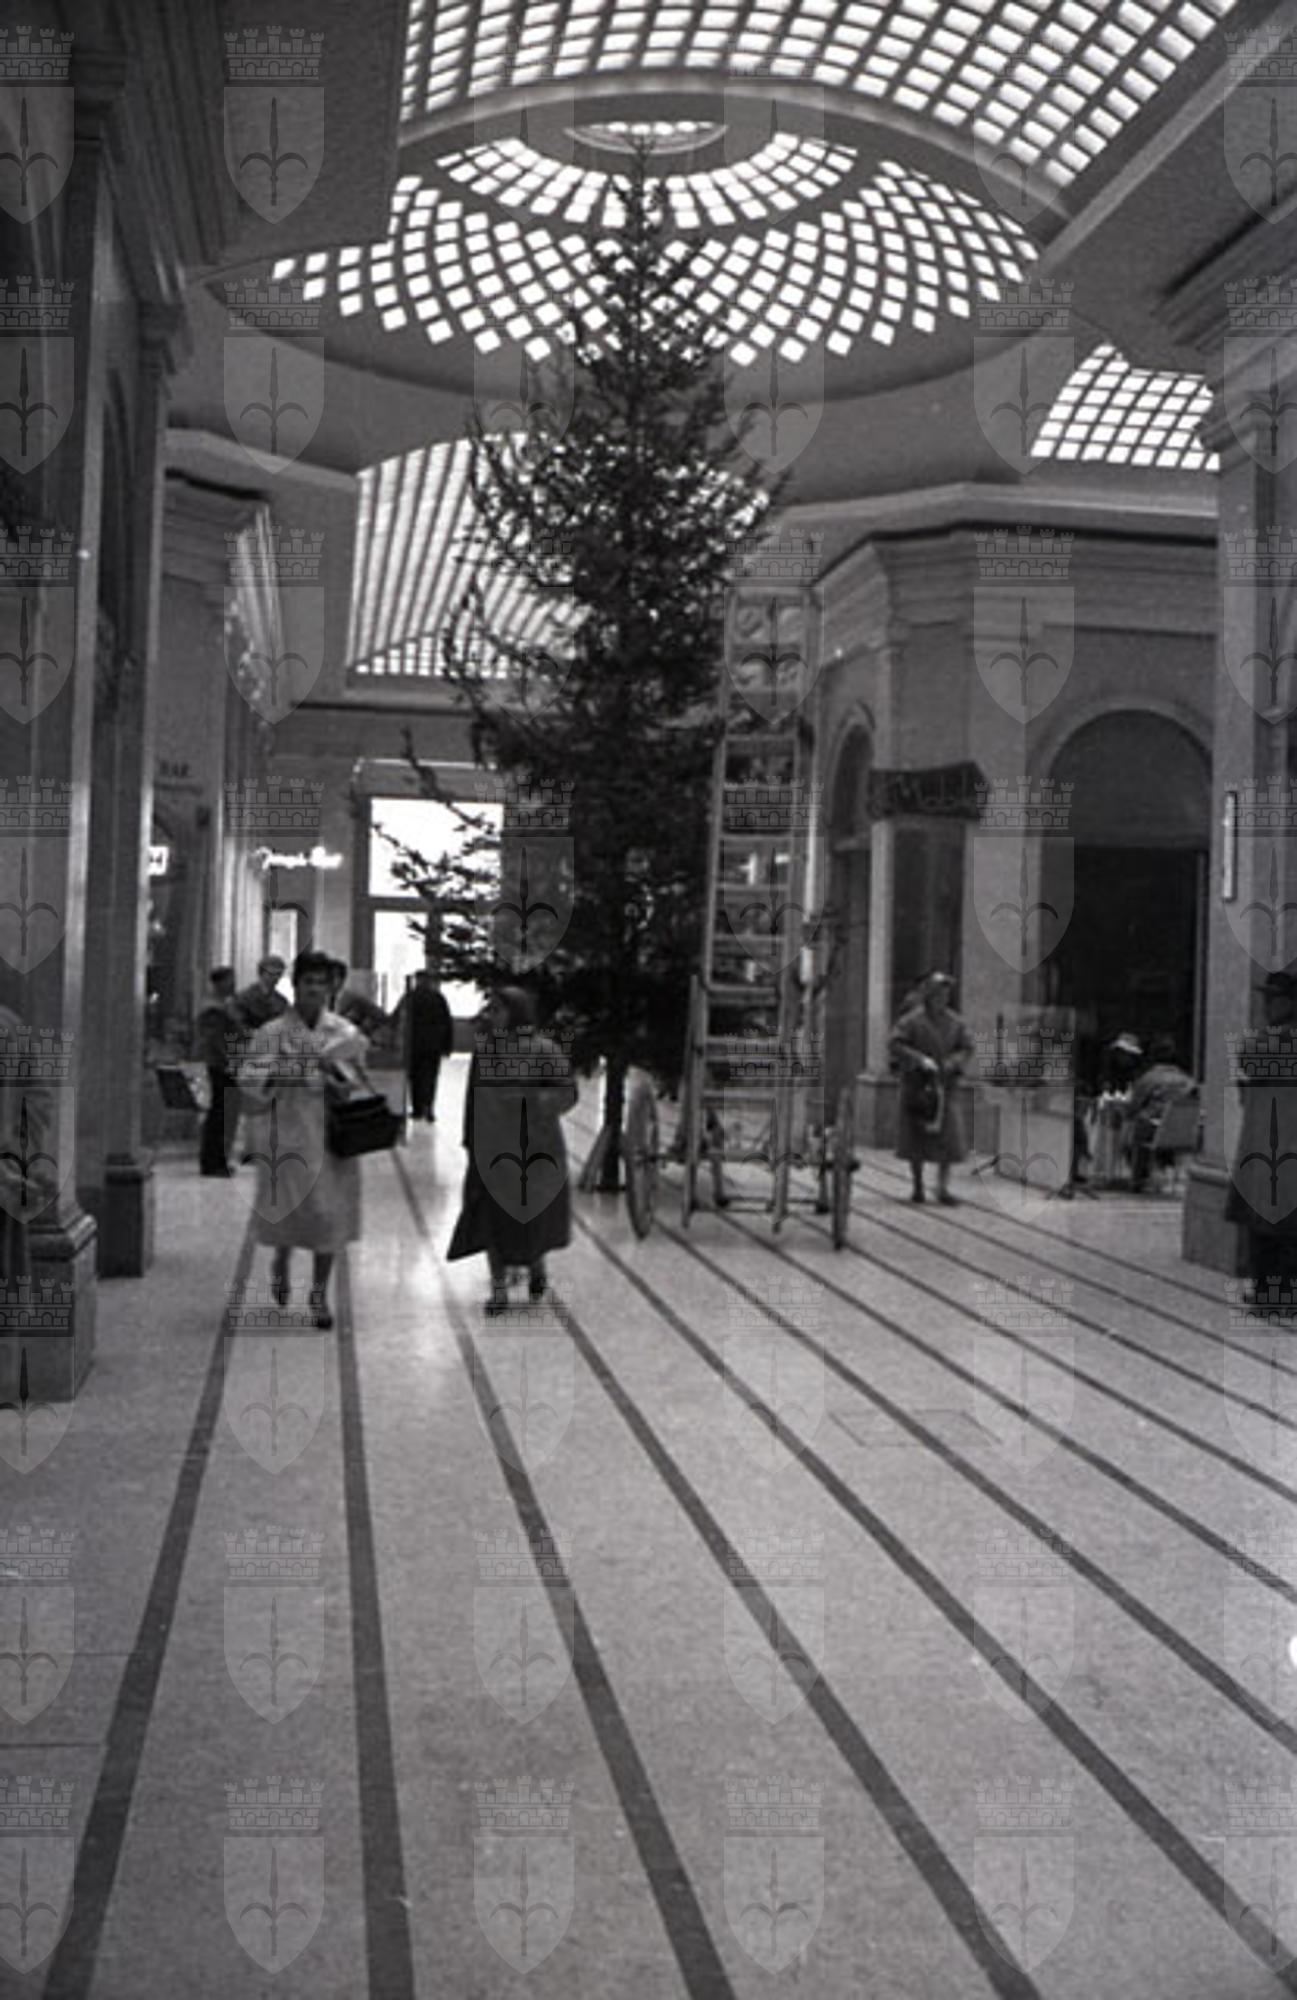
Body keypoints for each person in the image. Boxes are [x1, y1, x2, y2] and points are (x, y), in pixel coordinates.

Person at [238, 948, 369, 1329]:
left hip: (330, 1136)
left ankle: (318, 1294)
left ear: (331, 988)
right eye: (307, 982)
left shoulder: (343, 1033)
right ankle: (281, 1259)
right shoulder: (272, 1033)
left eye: (321, 983)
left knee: (328, 1215)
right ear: (295, 987)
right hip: (287, 1133)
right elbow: (250, 1079)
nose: (314, 990)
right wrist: (283, 1072)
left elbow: (358, 1080)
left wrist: (336, 1079)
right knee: (290, 1210)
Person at [448, 986, 577, 1314]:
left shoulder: (544, 1050)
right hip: (491, 1150)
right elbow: (473, 1099)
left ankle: (536, 1267)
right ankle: (499, 1289)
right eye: (489, 1010)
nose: (491, 1016)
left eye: (498, 1010)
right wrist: (470, 1140)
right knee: (491, 1222)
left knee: (531, 1220)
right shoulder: (486, 1053)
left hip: (535, 1150)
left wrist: (533, 1101)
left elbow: (567, 1093)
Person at [1227, 970, 1297, 1306]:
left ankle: (1271, 1294)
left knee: (1268, 1230)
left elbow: (1248, 1056)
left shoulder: (1272, 1042)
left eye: (1273, 999)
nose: (1268, 1005)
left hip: (1271, 1148)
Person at [890, 970, 974, 1205]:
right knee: (914, 1138)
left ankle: (942, 1187)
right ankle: (917, 1185)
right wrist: (919, 1059)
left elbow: (967, 1047)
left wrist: (952, 1062)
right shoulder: (912, 1021)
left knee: (949, 1139)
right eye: (937, 994)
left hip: (945, 1086)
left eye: (945, 994)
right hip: (917, 1086)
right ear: (928, 995)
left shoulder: (956, 1023)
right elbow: (895, 1043)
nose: (942, 998)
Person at [1123, 1035, 1197, 1191]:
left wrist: (1128, 1114)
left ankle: (1138, 1179)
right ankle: (1165, 1170)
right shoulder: (1188, 1080)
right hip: (1184, 1132)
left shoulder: (1149, 1079)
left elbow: (1133, 1107)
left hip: (1154, 1129)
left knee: (1133, 1132)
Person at [195, 966, 241, 1177]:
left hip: (223, 1064)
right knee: (220, 1114)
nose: (233, 984)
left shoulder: (223, 1005)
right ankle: (213, 1162)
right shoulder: (213, 1009)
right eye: (230, 980)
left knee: (222, 1113)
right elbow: (215, 1041)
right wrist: (230, 1061)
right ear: (219, 982)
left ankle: (218, 1159)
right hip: (220, 1066)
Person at [392, 969, 454, 1121]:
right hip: (433, 1045)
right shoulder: (438, 998)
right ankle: (428, 1108)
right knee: (430, 1077)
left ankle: (418, 1109)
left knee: (415, 1077)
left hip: (414, 1044)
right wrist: (447, 1045)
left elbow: (396, 1017)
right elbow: (447, 1022)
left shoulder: (410, 997)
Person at [235, 955, 288, 1034]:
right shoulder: (244, 998)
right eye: (271, 974)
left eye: (278, 974)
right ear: (261, 973)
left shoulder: (282, 1001)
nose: (275, 978)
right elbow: (239, 1026)